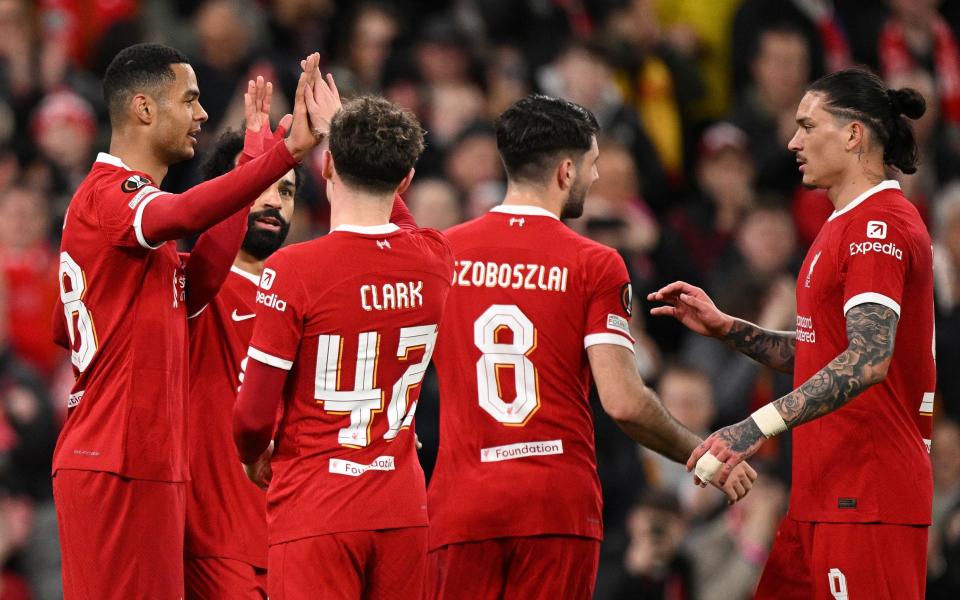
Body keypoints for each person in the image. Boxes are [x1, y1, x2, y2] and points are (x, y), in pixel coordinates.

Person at [424, 94, 756, 600]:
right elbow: (623, 402)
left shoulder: (443, 253)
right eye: (593, 165)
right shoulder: (594, 263)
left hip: (461, 504)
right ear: (565, 171)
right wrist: (704, 452)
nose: (596, 179)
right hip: (554, 506)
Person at [650, 67, 934, 599]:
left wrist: (752, 428)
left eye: (807, 126)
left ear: (853, 135)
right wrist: (731, 330)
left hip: (867, 497)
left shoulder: (880, 226)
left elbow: (869, 359)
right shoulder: (841, 223)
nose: (792, 141)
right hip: (820, 496)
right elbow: (825, 353)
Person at [52, 43, 323, 597]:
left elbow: (202, 275)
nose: (202, 114)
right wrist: (284, 156)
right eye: (191, 99)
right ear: (145, 109)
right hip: (111, 458)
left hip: (148, 457)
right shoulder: (110, 194)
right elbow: (181, 214)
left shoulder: (141, 245)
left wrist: (255, 156)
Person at [232, 95, 453, 599]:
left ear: (327, 164)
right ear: (407, 181)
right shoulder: (436, 258)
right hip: (401, 508)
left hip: (316, 506)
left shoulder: (295, 269)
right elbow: (404, 227)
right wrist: (346, 131)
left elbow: (250, 417)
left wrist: (254, 456)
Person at [183, 77, 299, 599]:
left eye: (287, 189)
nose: (273, 201)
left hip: (295, 530)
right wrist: (256, 158)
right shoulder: (191, 282)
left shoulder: (304, 295)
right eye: (257, 185)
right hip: (218, 536)